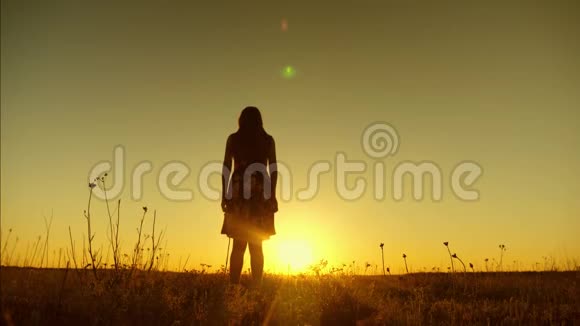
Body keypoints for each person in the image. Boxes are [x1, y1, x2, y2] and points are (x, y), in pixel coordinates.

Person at [221, 106, 278, 285]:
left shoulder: (234, 139)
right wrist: (272, 194)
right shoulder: (267, 140)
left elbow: (226, 168)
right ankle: (256, 288)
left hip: (238, 192)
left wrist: (225, 194)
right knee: (256, 245)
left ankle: (233, 287)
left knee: (238, 245)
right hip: (260, 193)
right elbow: (274, 169)